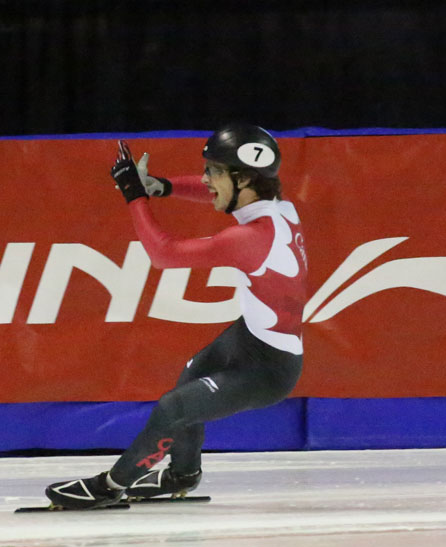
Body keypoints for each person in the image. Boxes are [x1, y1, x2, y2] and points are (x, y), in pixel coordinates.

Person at [46, 124, 307, 508]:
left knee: (174, 407)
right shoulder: (279, 208)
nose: (205, 180)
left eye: (213, 172)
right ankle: (183, 473)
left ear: (245, 177)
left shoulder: (251, 238)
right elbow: (215, 195)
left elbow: (163, 255)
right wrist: (162, 186)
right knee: (192, 373)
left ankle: (110, 485)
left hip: (269, 371)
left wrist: (135, 196)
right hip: (249, 337)